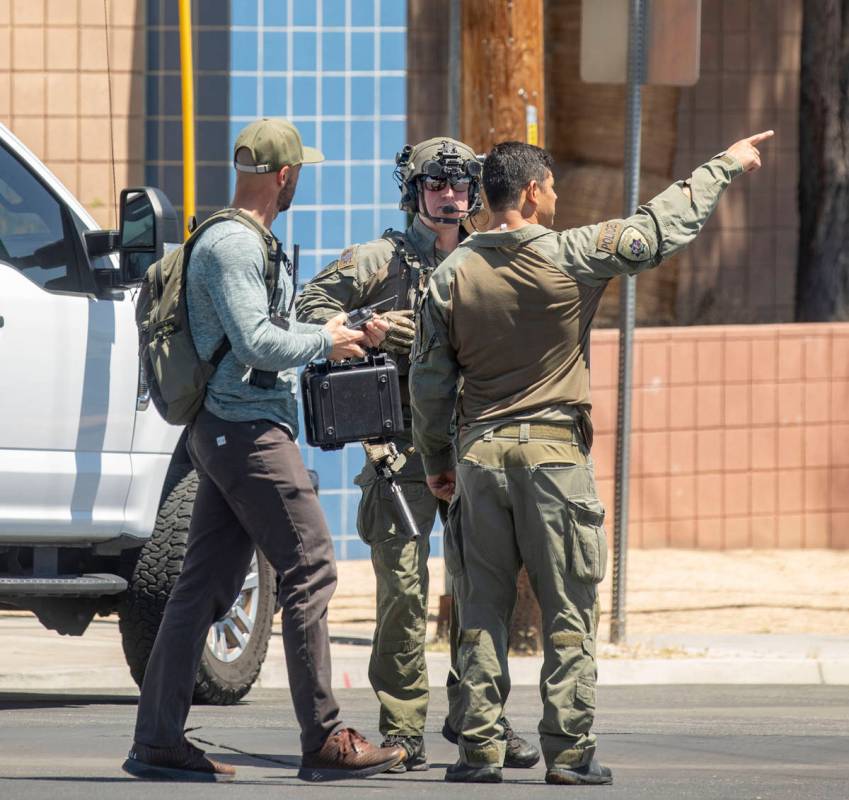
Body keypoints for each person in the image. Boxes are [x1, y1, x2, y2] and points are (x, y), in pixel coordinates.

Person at [409, 132, 774, 785]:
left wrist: (436, 457)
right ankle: (569, 751)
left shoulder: (450, 273)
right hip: (552, 462)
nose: (555, 194)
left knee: (480, 609)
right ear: (528, 191)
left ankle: (480, 750)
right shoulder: (573, 254)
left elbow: (428, 380)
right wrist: (724, 163)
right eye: (549, 185)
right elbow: (660, 228)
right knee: (568, 610)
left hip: (479, 460)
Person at [123, 117, 404, 783]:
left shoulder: (244, 240)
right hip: (246, 433)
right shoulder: (233, 246)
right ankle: (325, 739)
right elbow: (254, 343)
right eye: (299, 171)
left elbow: (264, 329)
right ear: (285, 177)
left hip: (227, 430)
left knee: (201, 587)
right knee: (310, 567)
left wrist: (332, 327)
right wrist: (326, 343)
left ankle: (158, 739)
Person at [296, 137, 539, 773]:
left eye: (462, 186)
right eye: (437, 184)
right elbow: (310, 307)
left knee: (480, 589)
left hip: (473, 445)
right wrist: (365, 330)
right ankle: (402, 728)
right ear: (415, 190)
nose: (451, 196)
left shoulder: (491, 253)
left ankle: (478, 717)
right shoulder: (379, 259)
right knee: (403, 590)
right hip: (398, 451)